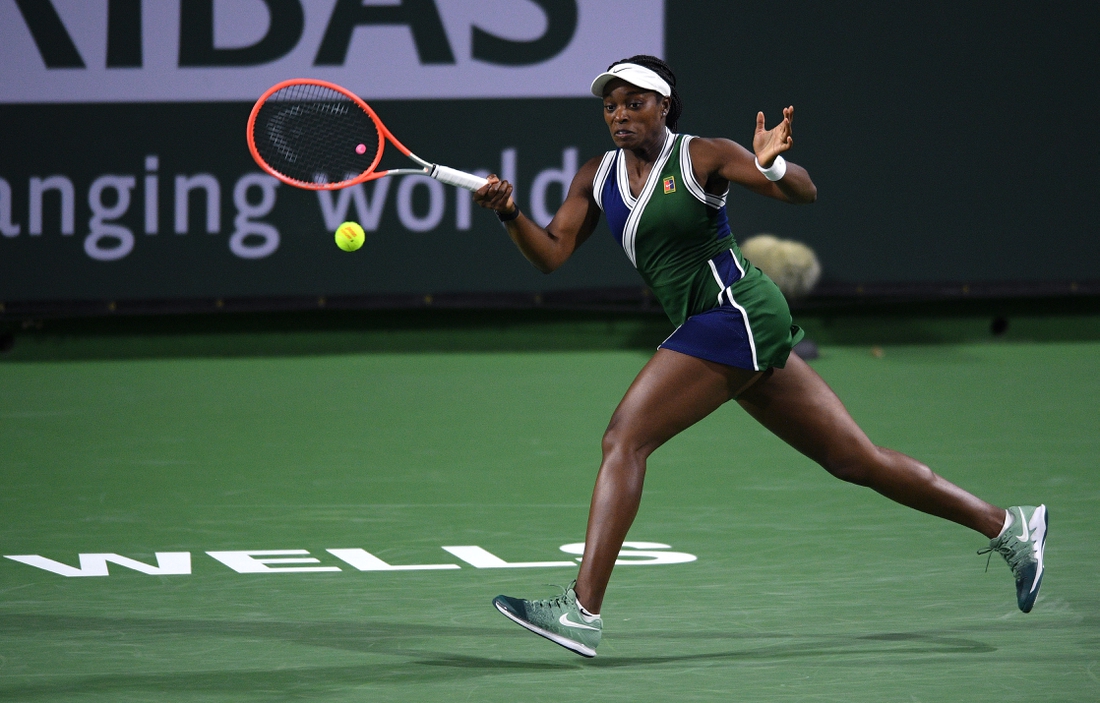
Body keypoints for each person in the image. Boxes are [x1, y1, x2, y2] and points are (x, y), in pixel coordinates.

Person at [472, 55, 1047, 659]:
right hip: (723, 328)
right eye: (610, 105)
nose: (619, 114)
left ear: (664, 106)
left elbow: (804, 192)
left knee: (625, 439)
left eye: (634, 101)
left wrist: (772, 166)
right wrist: (510, 214)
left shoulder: (704, 157)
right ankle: (1009, 528)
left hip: (737, 312)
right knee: (857, 460)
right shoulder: (597, 175)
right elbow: (551, 254)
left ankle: (581, 611)